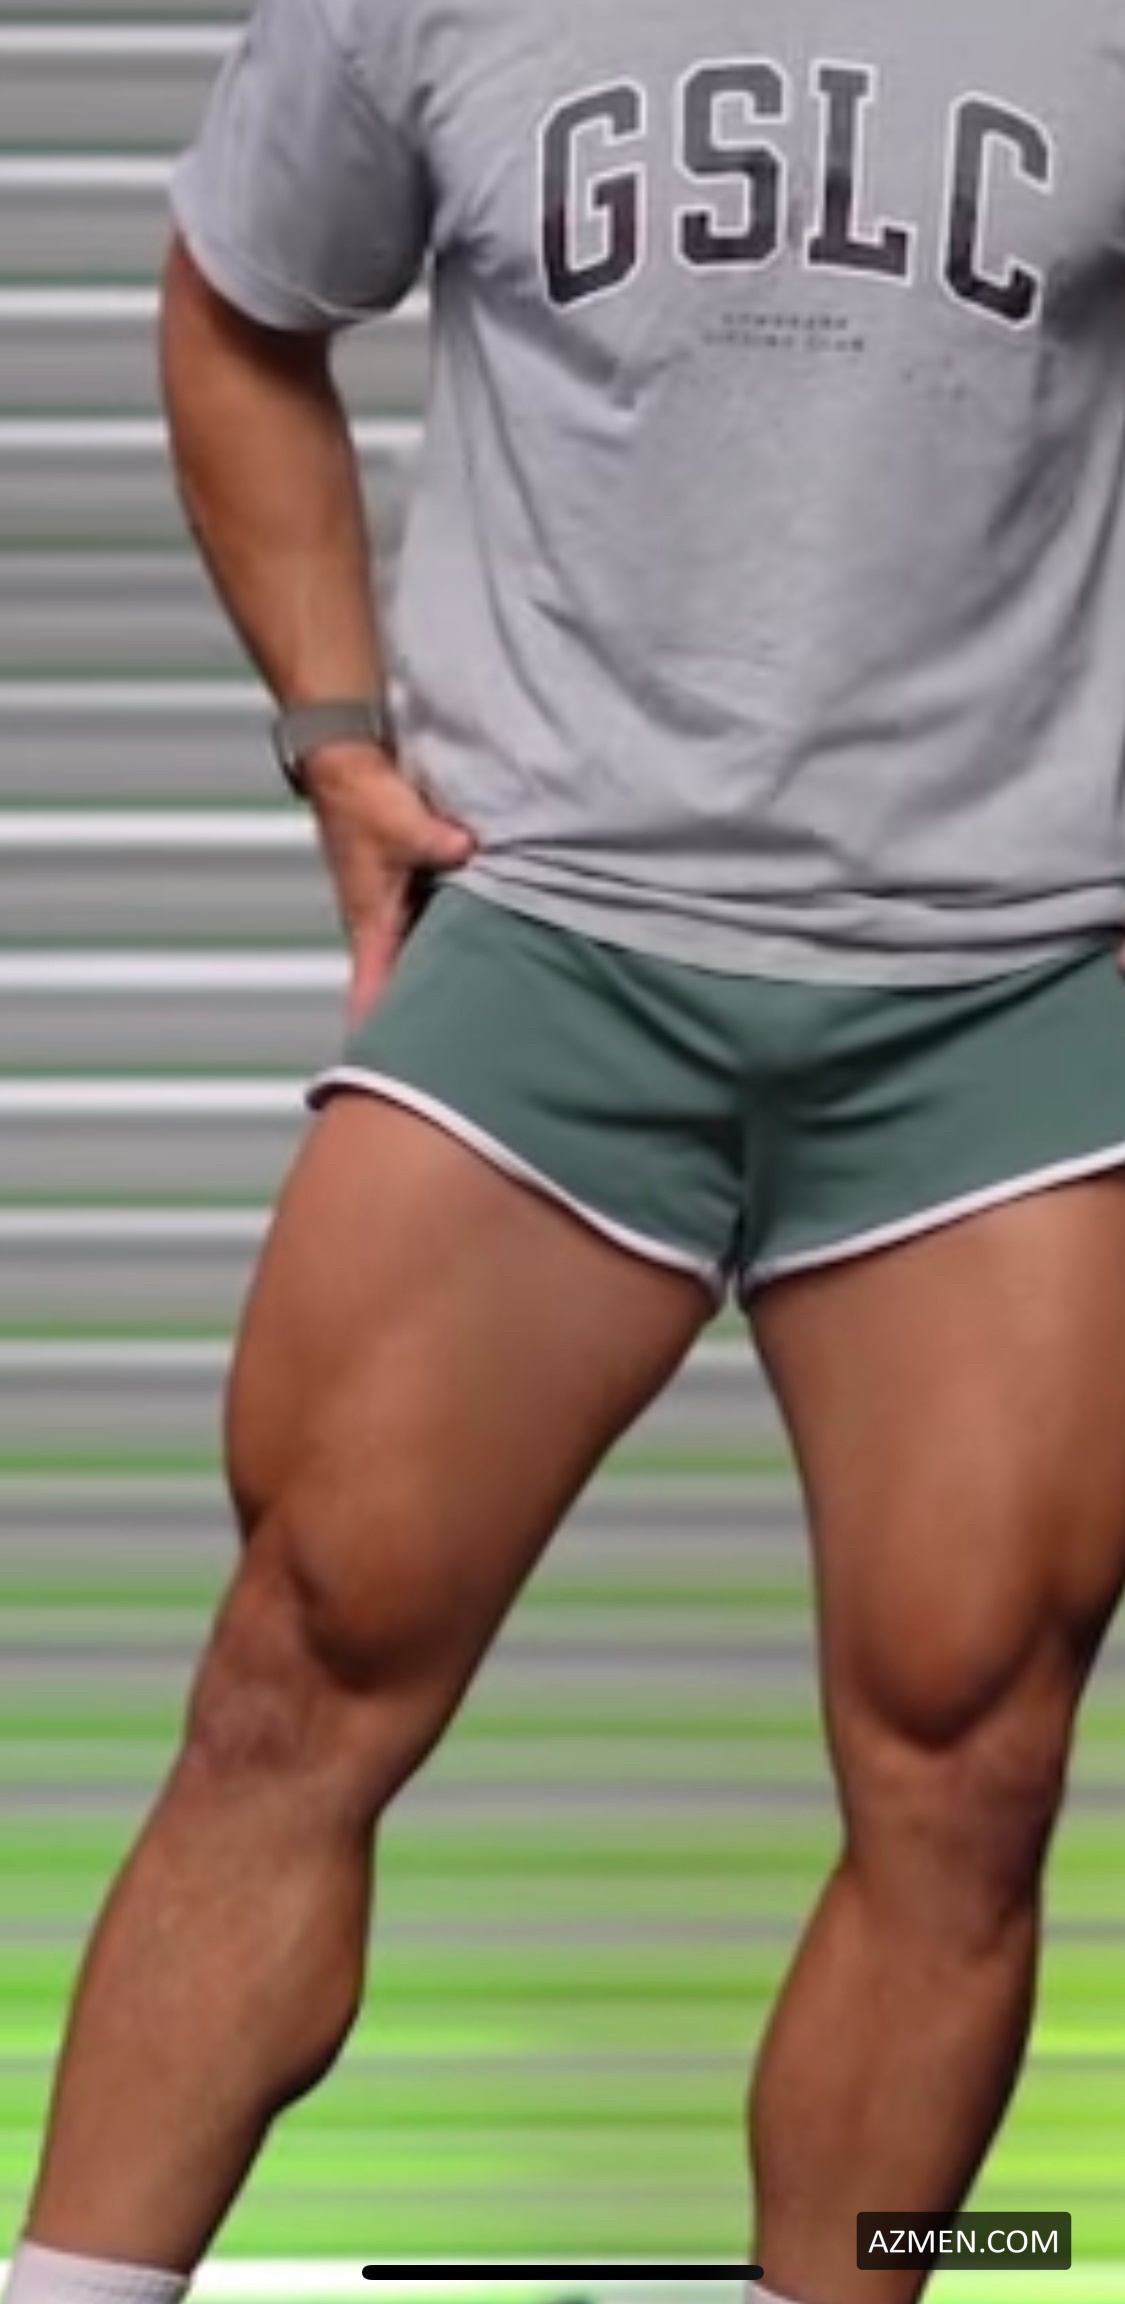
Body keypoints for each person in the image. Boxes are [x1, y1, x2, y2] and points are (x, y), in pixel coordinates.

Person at [7, 4, 1125, 2301]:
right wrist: (331, 736)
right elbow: (239, 307)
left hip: (1006, 974)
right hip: (556, 927)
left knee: (970, 1763)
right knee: (299, 1667)